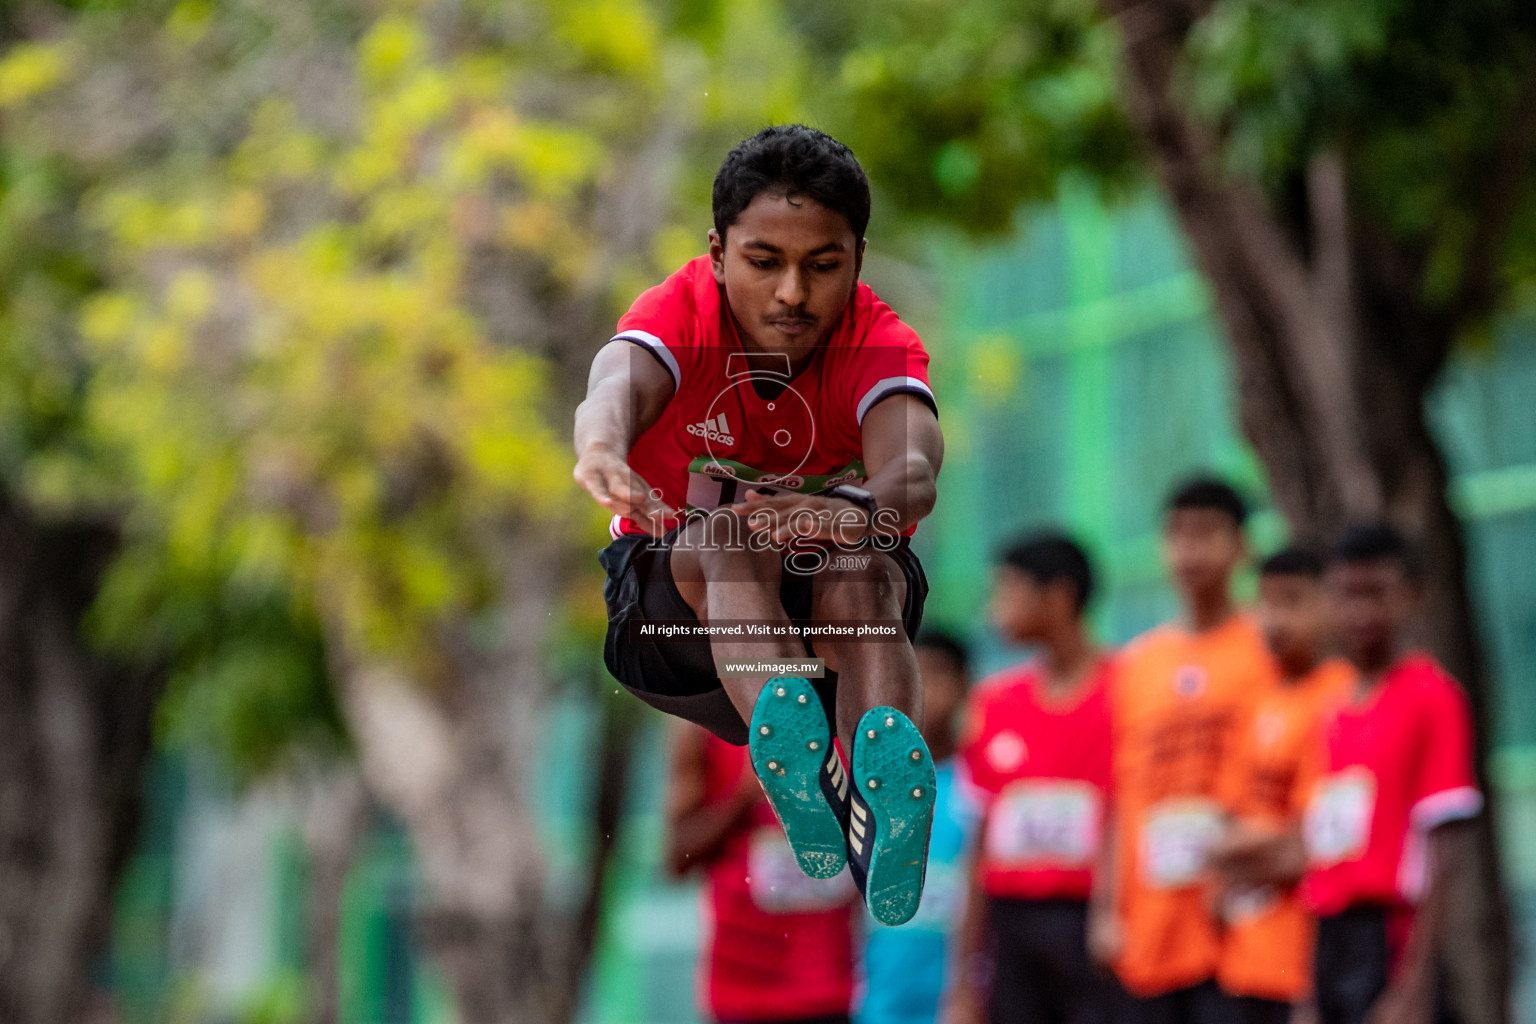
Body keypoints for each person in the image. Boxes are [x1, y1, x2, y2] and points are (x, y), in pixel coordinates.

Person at [573, 125, 945, 924]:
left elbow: (914, 470)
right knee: (725, 538)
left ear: (859, 260)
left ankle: (887, 816)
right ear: (717, 251)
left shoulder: (879, 343)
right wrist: (600, 448)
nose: (792, 295)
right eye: (764, 262)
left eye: (823, 266)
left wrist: (848, 511)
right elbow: (613, 387)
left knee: (862, 564)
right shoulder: (679, 315)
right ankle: (796, 754)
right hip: (674, 630)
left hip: (837, 626)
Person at [1092, 476, 1277, 1024]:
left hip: (1239, 924)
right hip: (1151, 928)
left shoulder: (1268, 649)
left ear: (1242, 545)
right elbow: (1119, 796)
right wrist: (1105, 910)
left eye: (1206, 534)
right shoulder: (1137, 665)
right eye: (1176, 535)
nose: (1188, 551)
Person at [1299, 524, 1483, 1024]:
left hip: (1389, 936)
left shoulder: (1432, 696)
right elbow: (1322, 849)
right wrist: (1308, 988)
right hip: (1330, 935)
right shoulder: (1331, 707)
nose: (1360, 612)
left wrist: (1414, 987)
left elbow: (1443, 849)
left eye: (1375, 594)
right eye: (1346, 595)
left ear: (1411, 597)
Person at [947, 533, 1120, 1024]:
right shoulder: (994, 703)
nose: (993, 608)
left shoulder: (1126, 690)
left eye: (1007, 591)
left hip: (1092, 922)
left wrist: (1111, 913)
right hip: (1012, 925)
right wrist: (963, 977)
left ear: (1058, 596)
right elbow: (979, 844)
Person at [1206, 548, 1354, 1024]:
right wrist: (1247, 848)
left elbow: (1310, 845)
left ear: (1333, 606)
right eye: (1265, 603)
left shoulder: (1341, 696)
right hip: (1243, 958)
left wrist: (1237, 850)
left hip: (1309, 960)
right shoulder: (1257, 700)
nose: (1274, 619)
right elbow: (1224, 830)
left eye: (1293, 602)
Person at [666, 721, 860, 1024]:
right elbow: (678, 857)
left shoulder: (846, 717)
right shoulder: (703, 725)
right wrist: (744, 797)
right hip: (742, 990)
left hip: (832, 987)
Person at [859, 630, 982, 1024]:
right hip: (882, 1000)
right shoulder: (872, 788)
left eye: (934, 675)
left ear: (965, 686)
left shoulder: (977, 781)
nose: (920, 689)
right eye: (907, 676)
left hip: (957, 1002)